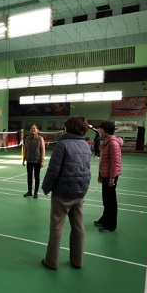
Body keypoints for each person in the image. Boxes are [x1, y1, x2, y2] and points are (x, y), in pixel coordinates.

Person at [41, 116, 92, 270]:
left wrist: (46, 187)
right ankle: (77, 261)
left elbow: (53, 169)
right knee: (78, 227)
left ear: (68, 127)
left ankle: (51, 262)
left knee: (56, 227)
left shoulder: (62, 145)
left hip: (62, 193)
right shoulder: (86, 145)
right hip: (80, 192)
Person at [95, 121, 123, 233]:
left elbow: (115, 162)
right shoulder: (106, 142)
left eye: (101, 128)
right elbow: (103, 161)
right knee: (106, 199)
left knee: (110, 200)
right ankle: (105, 219)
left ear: (106, 130)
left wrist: (112, 178)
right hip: (106, 174)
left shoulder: (113, 143)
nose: (99, 130)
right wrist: (100, 174)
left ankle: (111, 225)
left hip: (111, 176)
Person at [22, 124, 45, 198]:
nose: (33, 129)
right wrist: (24, 159)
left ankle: (36, 192)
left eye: (34, 128)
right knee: (29, 177)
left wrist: (42, 161)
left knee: (36, 177)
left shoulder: (40, 138)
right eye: (32, 128)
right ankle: (29, 191)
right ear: (30, 130)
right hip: (29, 160)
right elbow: (25, 149)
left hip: (37, 161)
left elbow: (42, 150)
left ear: (37, 130)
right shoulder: (27, 138)